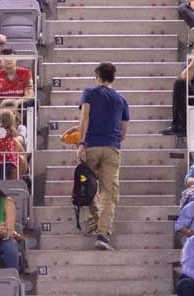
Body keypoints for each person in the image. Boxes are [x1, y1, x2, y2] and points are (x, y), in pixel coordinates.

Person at [77, 61, 129, 251]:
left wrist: (81, 143)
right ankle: (103, 234)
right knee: (109, 194)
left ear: (97, 77)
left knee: (87, 187)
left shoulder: (89, 93)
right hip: (112, 148)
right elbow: (123, 132)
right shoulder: (121, 100)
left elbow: (85, 118)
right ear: (113, 78)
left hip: (90, 146)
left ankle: (94, 222)